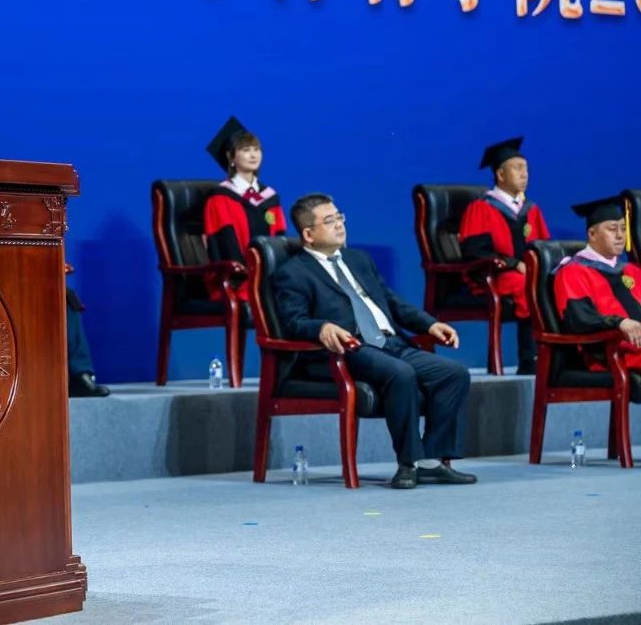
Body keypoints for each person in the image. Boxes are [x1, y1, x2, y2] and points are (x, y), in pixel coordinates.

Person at [274, 193, 475, 489]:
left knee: (453, 373)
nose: (339, 225)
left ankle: (431, 461)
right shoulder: (293, 273)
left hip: (391, 343)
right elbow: (293, 322)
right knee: (401, 373)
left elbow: (391, 302)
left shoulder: (358, 259)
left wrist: (429, 324)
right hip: (349, 349)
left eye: (340, 217)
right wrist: (322, 327)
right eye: (329, 221)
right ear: (308, 234)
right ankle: (408, 463)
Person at [0, 131, 109, 397]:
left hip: (8, 279)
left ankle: (79, 375)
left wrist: (49, 265)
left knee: (63, 295)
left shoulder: (4, 205)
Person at [457, 137, 550, 373]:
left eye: (526, 168)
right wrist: (514, 263)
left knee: (552, 285)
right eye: (517, 168)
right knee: (527, 286)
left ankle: (556, 359)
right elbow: (474, 250)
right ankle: (530, 361)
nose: (524, 174)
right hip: (496, 275)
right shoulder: (482, 207)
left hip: (525, 274)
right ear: (500, 174)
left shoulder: (532, 209)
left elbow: (545, 247)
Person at [553, 197, 641, 370]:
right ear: (592, 235)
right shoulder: (573, 272)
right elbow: (580, 319)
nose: (620, 235)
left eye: (623, 229)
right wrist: (620, 322)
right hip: (610, 352)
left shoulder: (631, 270)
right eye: (612, 229)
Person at [203, 116, 286, 298]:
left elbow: (279, 237)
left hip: (270, 276)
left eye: (257, 149)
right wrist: (246, 273)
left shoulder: (269, 197)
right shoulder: (221, 197)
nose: (253, 155)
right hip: (237, 278)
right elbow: (224, 241)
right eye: (246, 150)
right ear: (231, 157)